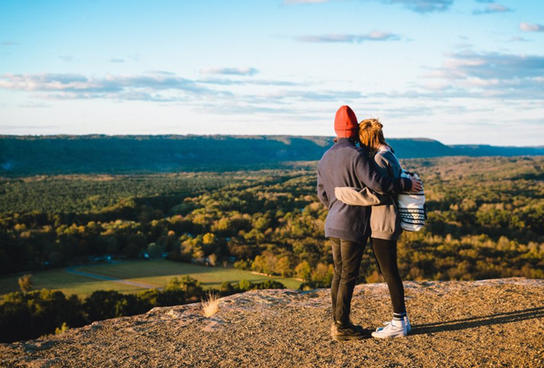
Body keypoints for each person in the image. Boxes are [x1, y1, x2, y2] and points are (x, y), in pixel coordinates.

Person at [316, 106, 422, 341]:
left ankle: (338, 322)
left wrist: (335, 206)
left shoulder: (325, 157)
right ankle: (342, 327)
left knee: (338, 274)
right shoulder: (357, 155)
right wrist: (406, 184)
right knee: (347, 276)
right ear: (353, 129)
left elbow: (322, 194)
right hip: (352, 224)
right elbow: (380, 184)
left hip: (333, 221)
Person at [358, 118, 411, 338]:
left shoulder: (379, 159)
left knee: (389, 272)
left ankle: (399, 321)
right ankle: (402, 319)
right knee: (390, 270)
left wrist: (346, 194)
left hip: (383, 222)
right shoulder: (389, 153)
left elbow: (378, 192)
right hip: (391, 220)